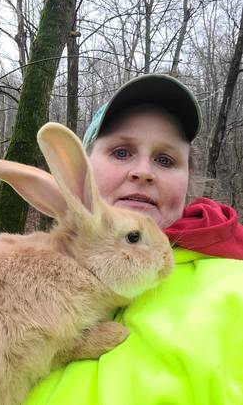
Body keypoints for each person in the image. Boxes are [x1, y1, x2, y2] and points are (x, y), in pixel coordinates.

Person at [24, 74, 243, 405]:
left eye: (165, 159)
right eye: (122, 152)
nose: (144, 171)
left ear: (186, 182)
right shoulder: (22, 276)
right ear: (80, 174)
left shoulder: (232, 291)